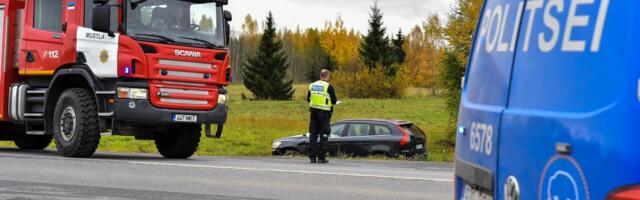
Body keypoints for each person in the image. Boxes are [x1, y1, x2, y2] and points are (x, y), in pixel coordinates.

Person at [307, 69, 338, 164]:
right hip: (324, 114)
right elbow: (334, 101)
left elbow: (308, 99)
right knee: (324, 134)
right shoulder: (329, 86)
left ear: (320, 76)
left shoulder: (312, 85)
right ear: (327, 77)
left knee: (313, 134)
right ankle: (321, 157)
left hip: (313, 113)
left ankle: (312, 157)